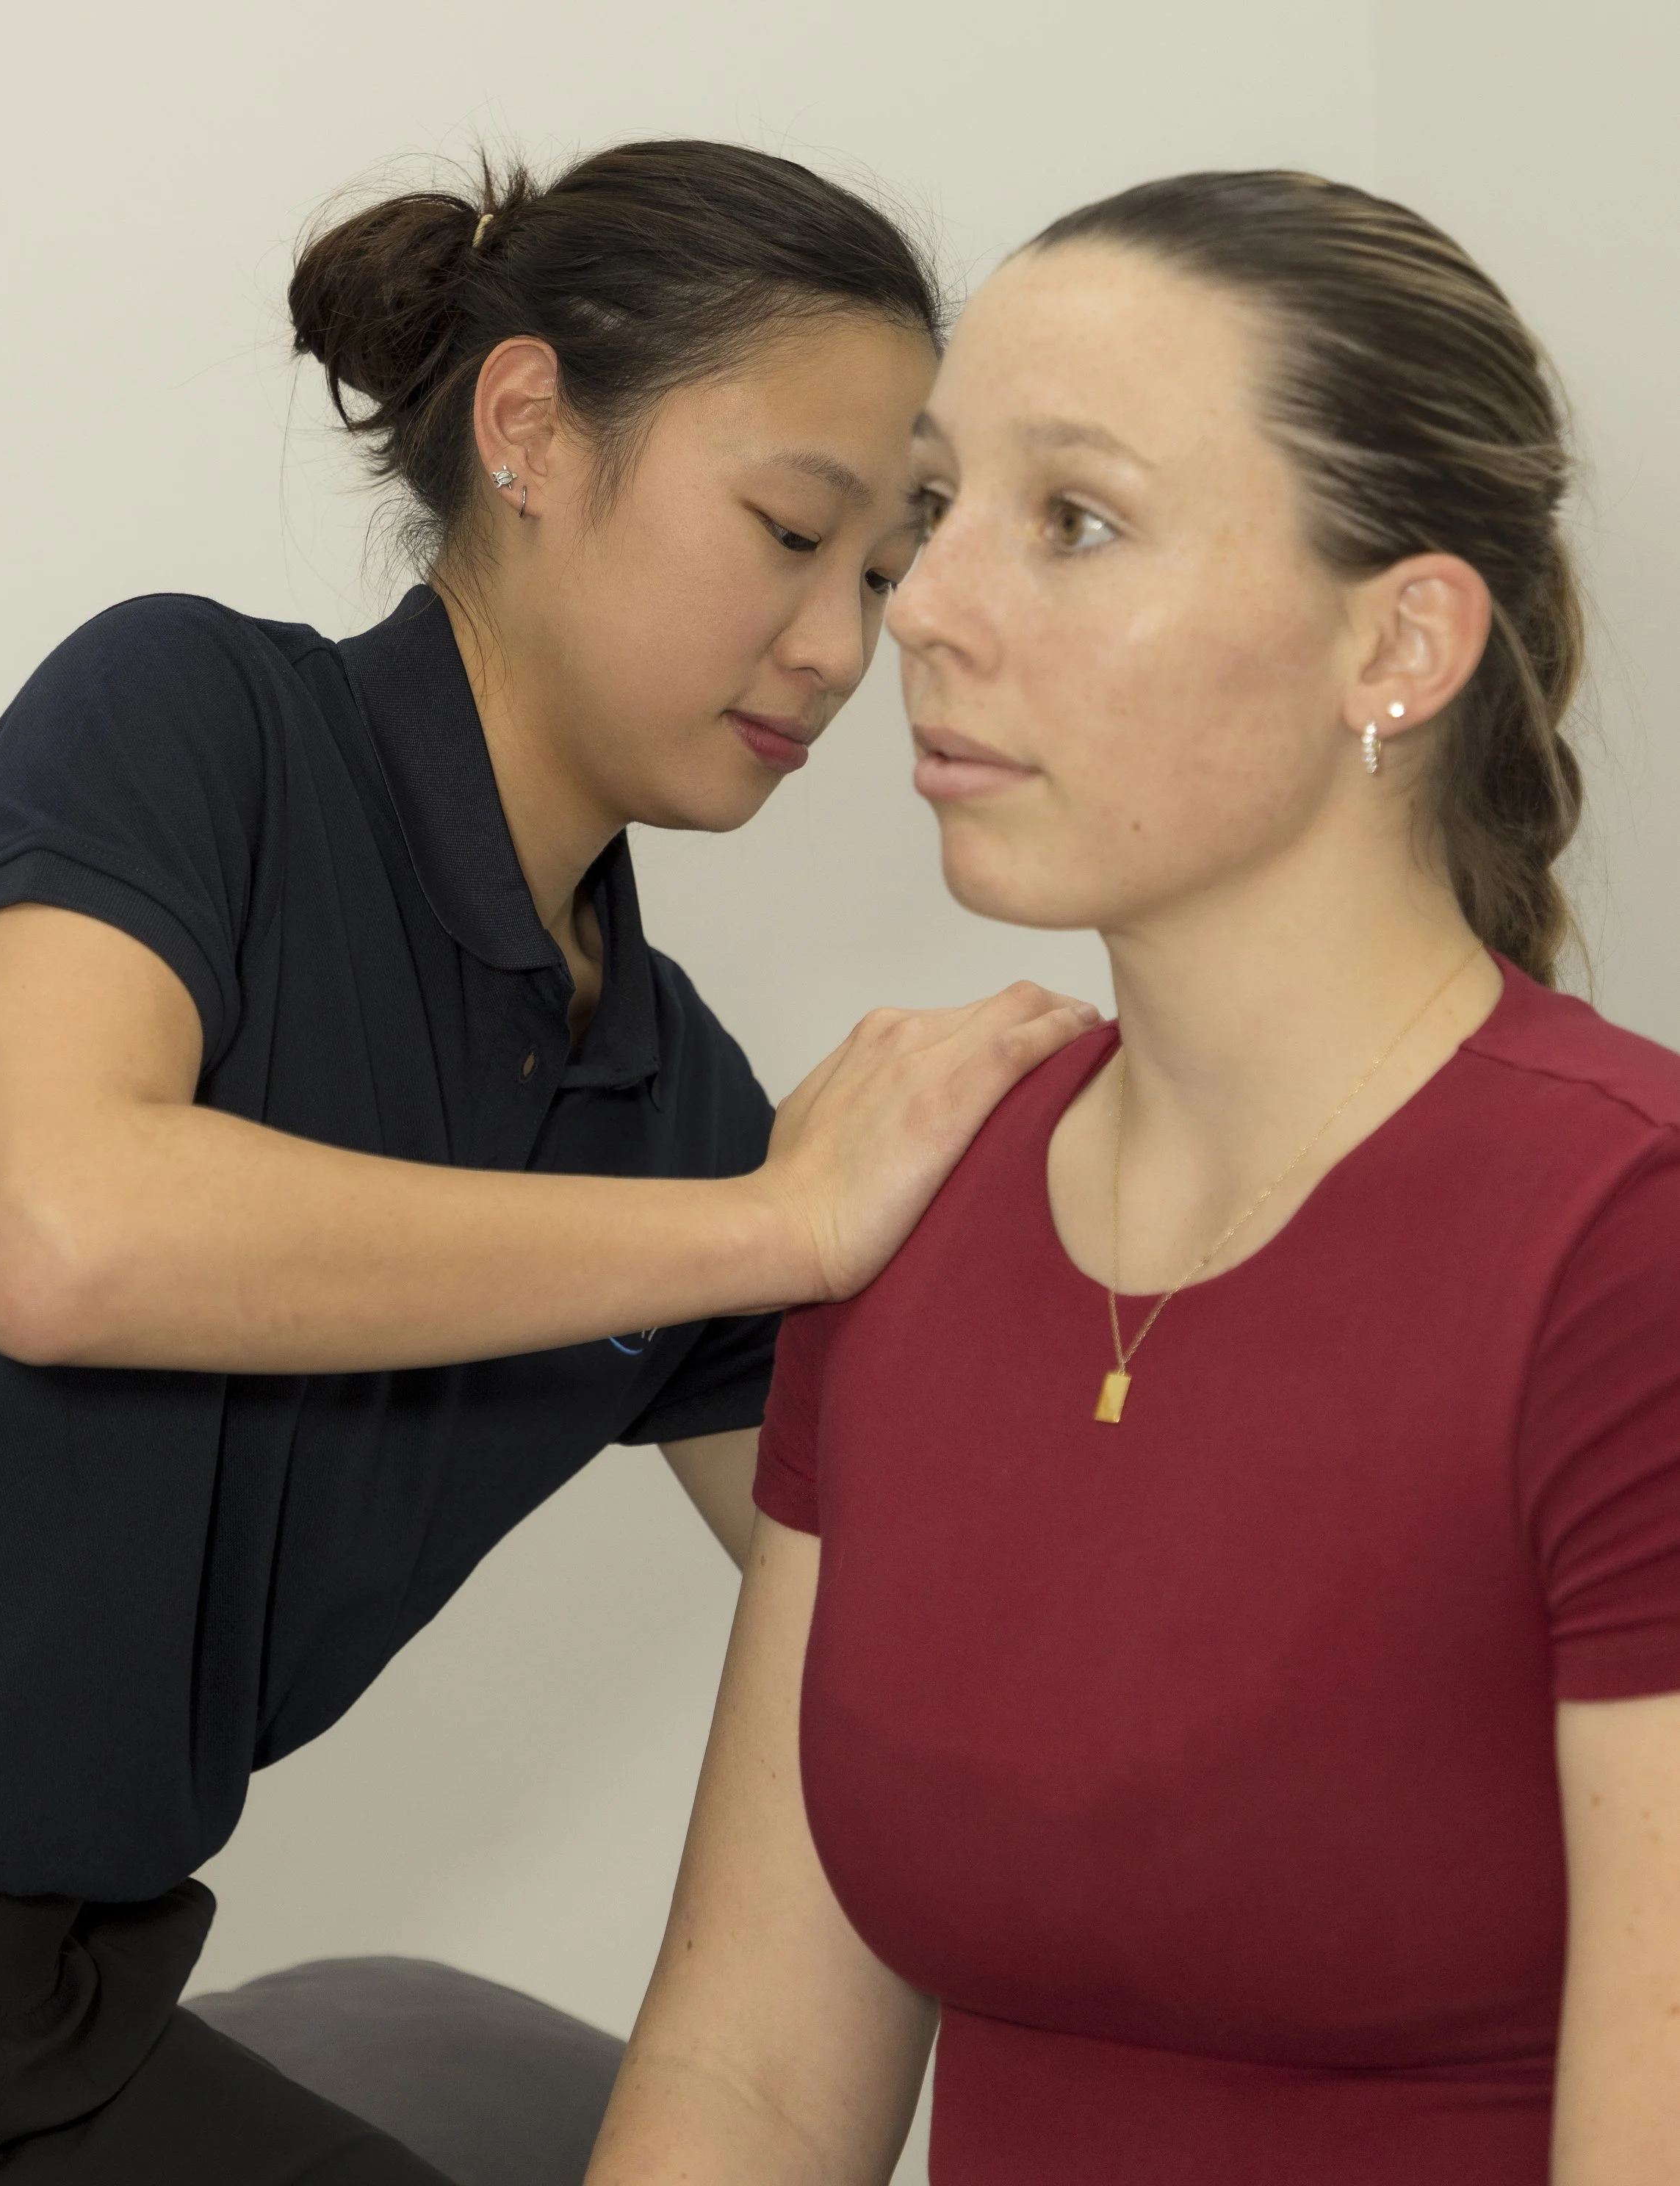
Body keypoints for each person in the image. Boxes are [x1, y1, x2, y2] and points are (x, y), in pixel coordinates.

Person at [0, 140, 1094, 2185]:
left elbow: (905, 1624)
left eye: (879, 573)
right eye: (789, 529)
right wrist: (770, 1222)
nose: (837, 649)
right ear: (527, 428)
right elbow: (55, 1232)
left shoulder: (658, 1092)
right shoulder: (191, 721)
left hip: (38, 2016)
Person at [586, 170, 1680, 2186]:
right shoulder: (896, 1198)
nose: (916, 606)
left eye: (1071, 522)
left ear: (1398, 644)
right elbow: (747, 2083)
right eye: (933, 514)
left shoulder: (1628, 1250)